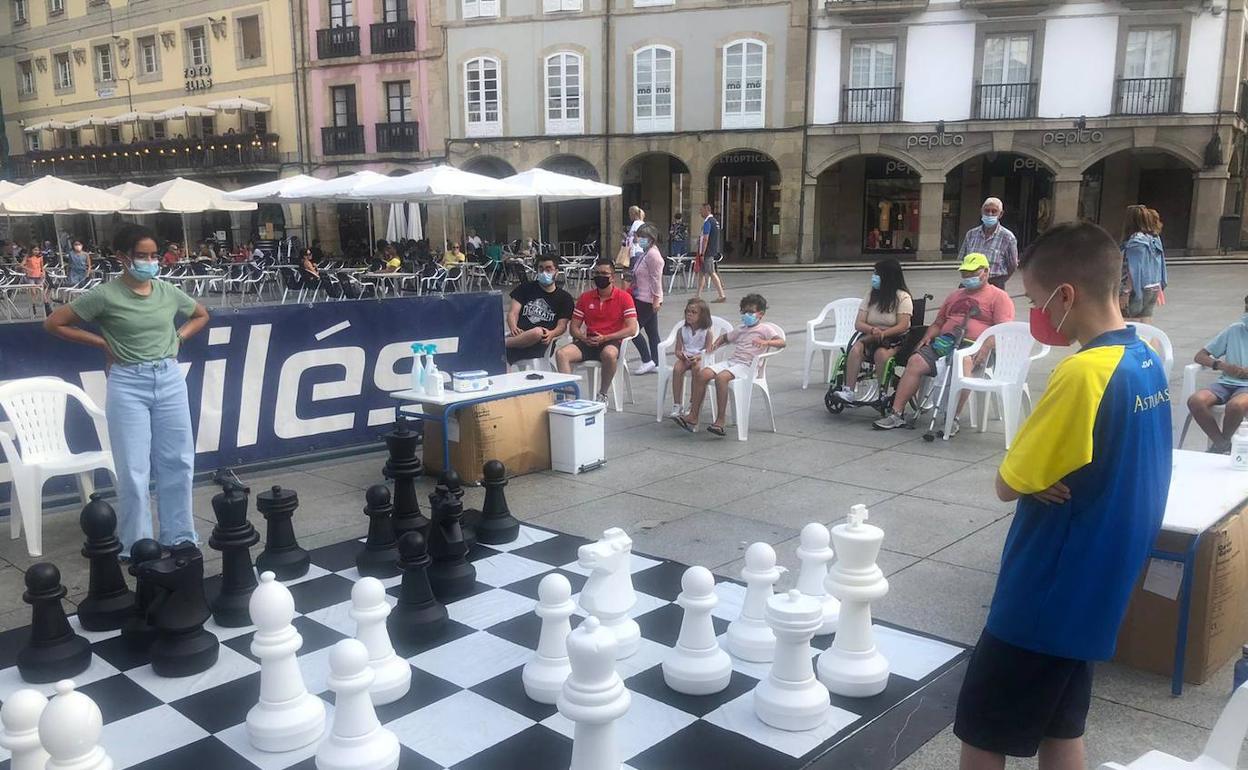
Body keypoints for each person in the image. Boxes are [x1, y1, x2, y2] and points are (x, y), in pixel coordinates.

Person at [954, 222, 1170, 770]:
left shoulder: (1083, 373)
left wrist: (1026, 475)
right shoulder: (1145, 360)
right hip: (1095, 590)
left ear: (1066, 296)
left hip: (1043, 593)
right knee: (1061, 725)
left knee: (983, 731)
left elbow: (1008, 482)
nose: (1037, 314)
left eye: (1035, 300)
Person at [43, 224, 211, 551]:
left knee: (178, 461)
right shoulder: (106, 295)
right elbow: (54, 322)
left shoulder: (166, 291)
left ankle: (179, 536)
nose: (149, 262)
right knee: (133, 468)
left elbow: (201, 314)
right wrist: (101, 342)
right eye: (141, 256)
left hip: (169, 378)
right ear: (123, 257)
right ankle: (137, 543)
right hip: (127, 382)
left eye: (153, 255)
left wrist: (178, 337)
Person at [873, 253, 1015, 432]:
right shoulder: (955, 295)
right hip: (947, 341)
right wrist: (928, 336)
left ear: (985, 272)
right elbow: (939, 322)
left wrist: (986, 346)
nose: (968, 277)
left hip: (976, 345)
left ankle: (952, 418)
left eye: (972, 273)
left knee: (962, 363)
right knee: (915, 361)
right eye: (965, 273)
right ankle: (896, 413)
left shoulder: (999, 297)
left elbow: (1003, 330)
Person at [673, 293, 783, 437]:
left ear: (760, 314)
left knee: (721, 378)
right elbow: (726, 337)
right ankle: (693, 416)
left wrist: (766, 342)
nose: (746, 315)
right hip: (733, 362)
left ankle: (720, 420)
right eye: (743, 312)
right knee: (703, 374)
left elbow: (782, 342)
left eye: (750, 312)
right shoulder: (741, 328)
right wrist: (716, 344)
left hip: (748, 366)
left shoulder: (765, 329)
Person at [555, 259, 639, 403]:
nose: (600, 276)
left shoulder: (624, 298)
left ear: (612, 277)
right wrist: (582, 337)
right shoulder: (585, 298)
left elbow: (631, 329)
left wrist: (606, 338)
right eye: (597, 273)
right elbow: (573, 327)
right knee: (562, 354)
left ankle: (602, 394)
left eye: (604, 273)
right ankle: (569, 397)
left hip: (611, 340)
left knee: (609, 354)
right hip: (588, 340)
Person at [833, 258, 914, 403]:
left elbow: (903, 325)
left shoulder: (903, 298)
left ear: (887, 276)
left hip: (895, 338)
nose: (874, 277)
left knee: (881, 354)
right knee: (856, 348)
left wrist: (884, 333)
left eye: (877, 274)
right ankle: (849, 391)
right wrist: (873, 330)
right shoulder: (871, 295)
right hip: (871, 335)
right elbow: (859, 323)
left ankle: (881, 392)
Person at [1187, 297, 1248, 453]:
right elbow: (1200, 356)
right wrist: (1223, 366)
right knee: (1196, 401)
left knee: (1235, 406)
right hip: (1226, 382)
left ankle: (1220, 446)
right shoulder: (1235, 329)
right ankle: (1223, 445)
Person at [506, 254, 575, 366]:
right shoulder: (525, 288)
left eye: (548, 269)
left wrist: (552, 333)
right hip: (519, 337)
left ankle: (502, 344)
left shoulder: (565, 298)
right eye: (541, 269)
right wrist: (514, 327)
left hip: (542, 342)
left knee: (538, 331)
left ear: (556, 272)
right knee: (502, 358)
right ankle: (505, 346)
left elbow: (562, 326)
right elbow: (512, 313)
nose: (544, 273)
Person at [958, 197, 1018, 289]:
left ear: (1000, 214)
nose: (990, 214)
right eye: (987, 211)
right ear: (982, 212)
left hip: (994, 283)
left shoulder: (1008, 237)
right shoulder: (971, 234)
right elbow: (963, 259)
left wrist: (1001, 281)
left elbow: (1012, 265)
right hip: (971, 282)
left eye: (994, 211)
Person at [1120, 204, 1167, 322]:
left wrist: (1125, 292)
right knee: (1146, 323)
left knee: (1130, 323)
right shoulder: (1154, 239)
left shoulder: (1135, 241)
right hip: (1153, 286)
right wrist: (1160, 284)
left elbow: (1133, 269)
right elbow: (1160, 263)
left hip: (1137, 289)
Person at [629, 223, 665, 376]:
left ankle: (647, 359)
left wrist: (656, 299)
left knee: (632, 329)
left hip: (646, 298)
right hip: (641, 295)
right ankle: (656, 362)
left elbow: (656, 279)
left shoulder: (653, 255)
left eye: (643, 237)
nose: (640, 239)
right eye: (639, 236)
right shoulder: (646, 252)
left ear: (651, 239)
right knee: (652, 332)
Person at [668, 297, 712, 416]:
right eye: (688, 312)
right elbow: (677, 350)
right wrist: (681, 355)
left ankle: (693, 402)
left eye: (694, 312)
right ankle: (677, 404)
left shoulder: (707, 332)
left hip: (700, 358)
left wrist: (698, 357)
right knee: (677, 369)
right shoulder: (682, 330)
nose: (689, 315)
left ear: (702, 316)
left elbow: (708, 350)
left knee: (697, 369)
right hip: (686, 357)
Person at [696, 202, 728, 303]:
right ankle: (697, 295)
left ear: (706, 210)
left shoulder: (707, 222)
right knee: (701, 273)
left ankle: (721, 294)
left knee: (711, 272)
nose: (700, 212)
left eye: (701, 210)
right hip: (711, 250)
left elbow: (706, 238)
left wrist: (702, 253)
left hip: (707, 252)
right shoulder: (715, 222)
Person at [22, 245, 51, 316]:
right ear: (31, 250)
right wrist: (28, 269)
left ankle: (47, 306)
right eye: (35, 250)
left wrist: (43, 273)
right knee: (33, 292)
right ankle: (33, 306)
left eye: (37, 250)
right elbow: (21, 265)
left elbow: (42, 267)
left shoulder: (40, 257)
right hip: (30, 276)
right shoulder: (28, 257)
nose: (36, 251)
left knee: (42, 291)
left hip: (39, 276)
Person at [621, 205, 645, 271]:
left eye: (630, 214)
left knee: (631, 273)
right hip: (641, 251)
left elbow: (636, 239)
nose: (629, 216)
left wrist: (625, 237)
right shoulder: (642, 223)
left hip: (634, 251)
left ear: (633, 214)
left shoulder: (636, 223)